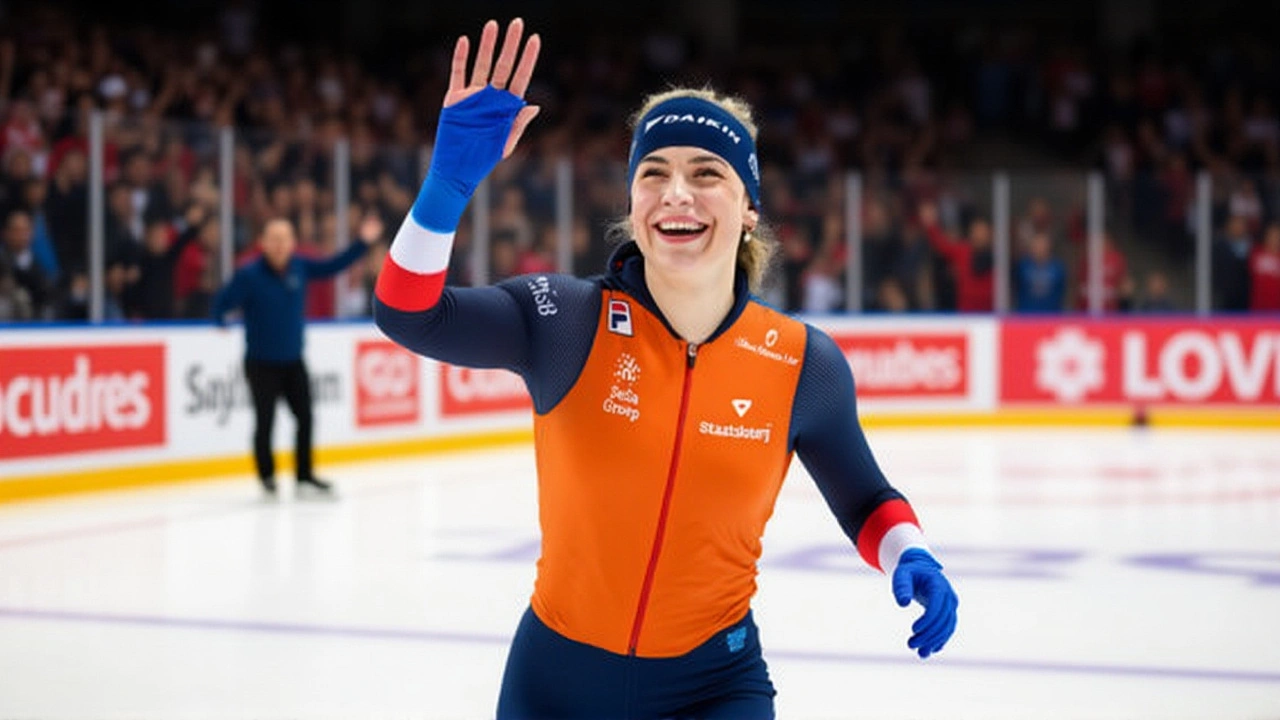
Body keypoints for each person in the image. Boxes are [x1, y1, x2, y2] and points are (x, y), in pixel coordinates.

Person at [373, 19, 957, 719]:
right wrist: (446, 185)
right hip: (555, 682)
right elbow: (409, 312)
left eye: (707, 173)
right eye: (654, 173)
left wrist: (910, 554)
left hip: (714, 688)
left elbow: (866, 500)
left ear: (749, 210)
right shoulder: (563, 319)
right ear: (632, 204)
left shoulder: (803, 364)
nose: (677, 193)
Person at [211, 213, 379, 497]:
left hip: (293, 360)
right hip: (260, 363)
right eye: (273, 239)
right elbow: (223, 300)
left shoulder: (299, 268)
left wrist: (362, 243)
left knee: (306, 417)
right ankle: (267, 477)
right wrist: (219, 320)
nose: (279, 244)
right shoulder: (249, 275)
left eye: (284, 239)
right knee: (265, 422)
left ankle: (304, 476)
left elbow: (332, 266)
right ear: (263, 243)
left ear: (292, 243)